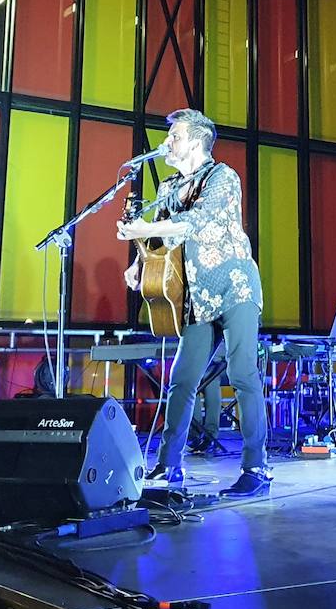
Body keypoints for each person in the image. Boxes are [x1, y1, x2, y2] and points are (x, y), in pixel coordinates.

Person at [116, 108, 272, 498]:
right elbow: (161, 238)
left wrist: (147, 228)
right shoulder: (168, 185)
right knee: (182, 381)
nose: (168, 142)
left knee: (242, 375)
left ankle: (257, 467)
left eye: (176, 136)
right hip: (198, 294)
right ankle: (169, 467)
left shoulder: (223, 177)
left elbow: (196, 221)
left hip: (235, 286)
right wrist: (138, 264)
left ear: (197, 140)